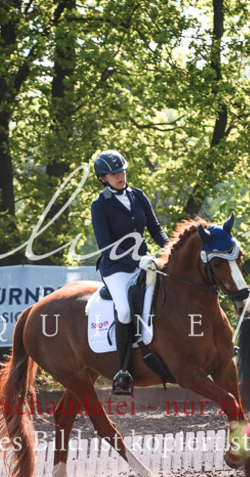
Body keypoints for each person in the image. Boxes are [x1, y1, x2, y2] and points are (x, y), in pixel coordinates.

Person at [90, 150, 169, 395]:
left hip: (145, 261)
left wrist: (170, 249)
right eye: (114, 173)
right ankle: (123, 371)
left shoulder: (138, 195)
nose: (120, 176)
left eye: (122, 170)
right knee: (124, 309)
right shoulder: (99, 205)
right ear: (102, 178)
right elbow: (106, 245)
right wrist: (136, 259)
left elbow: (155, 228)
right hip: (117, 268)